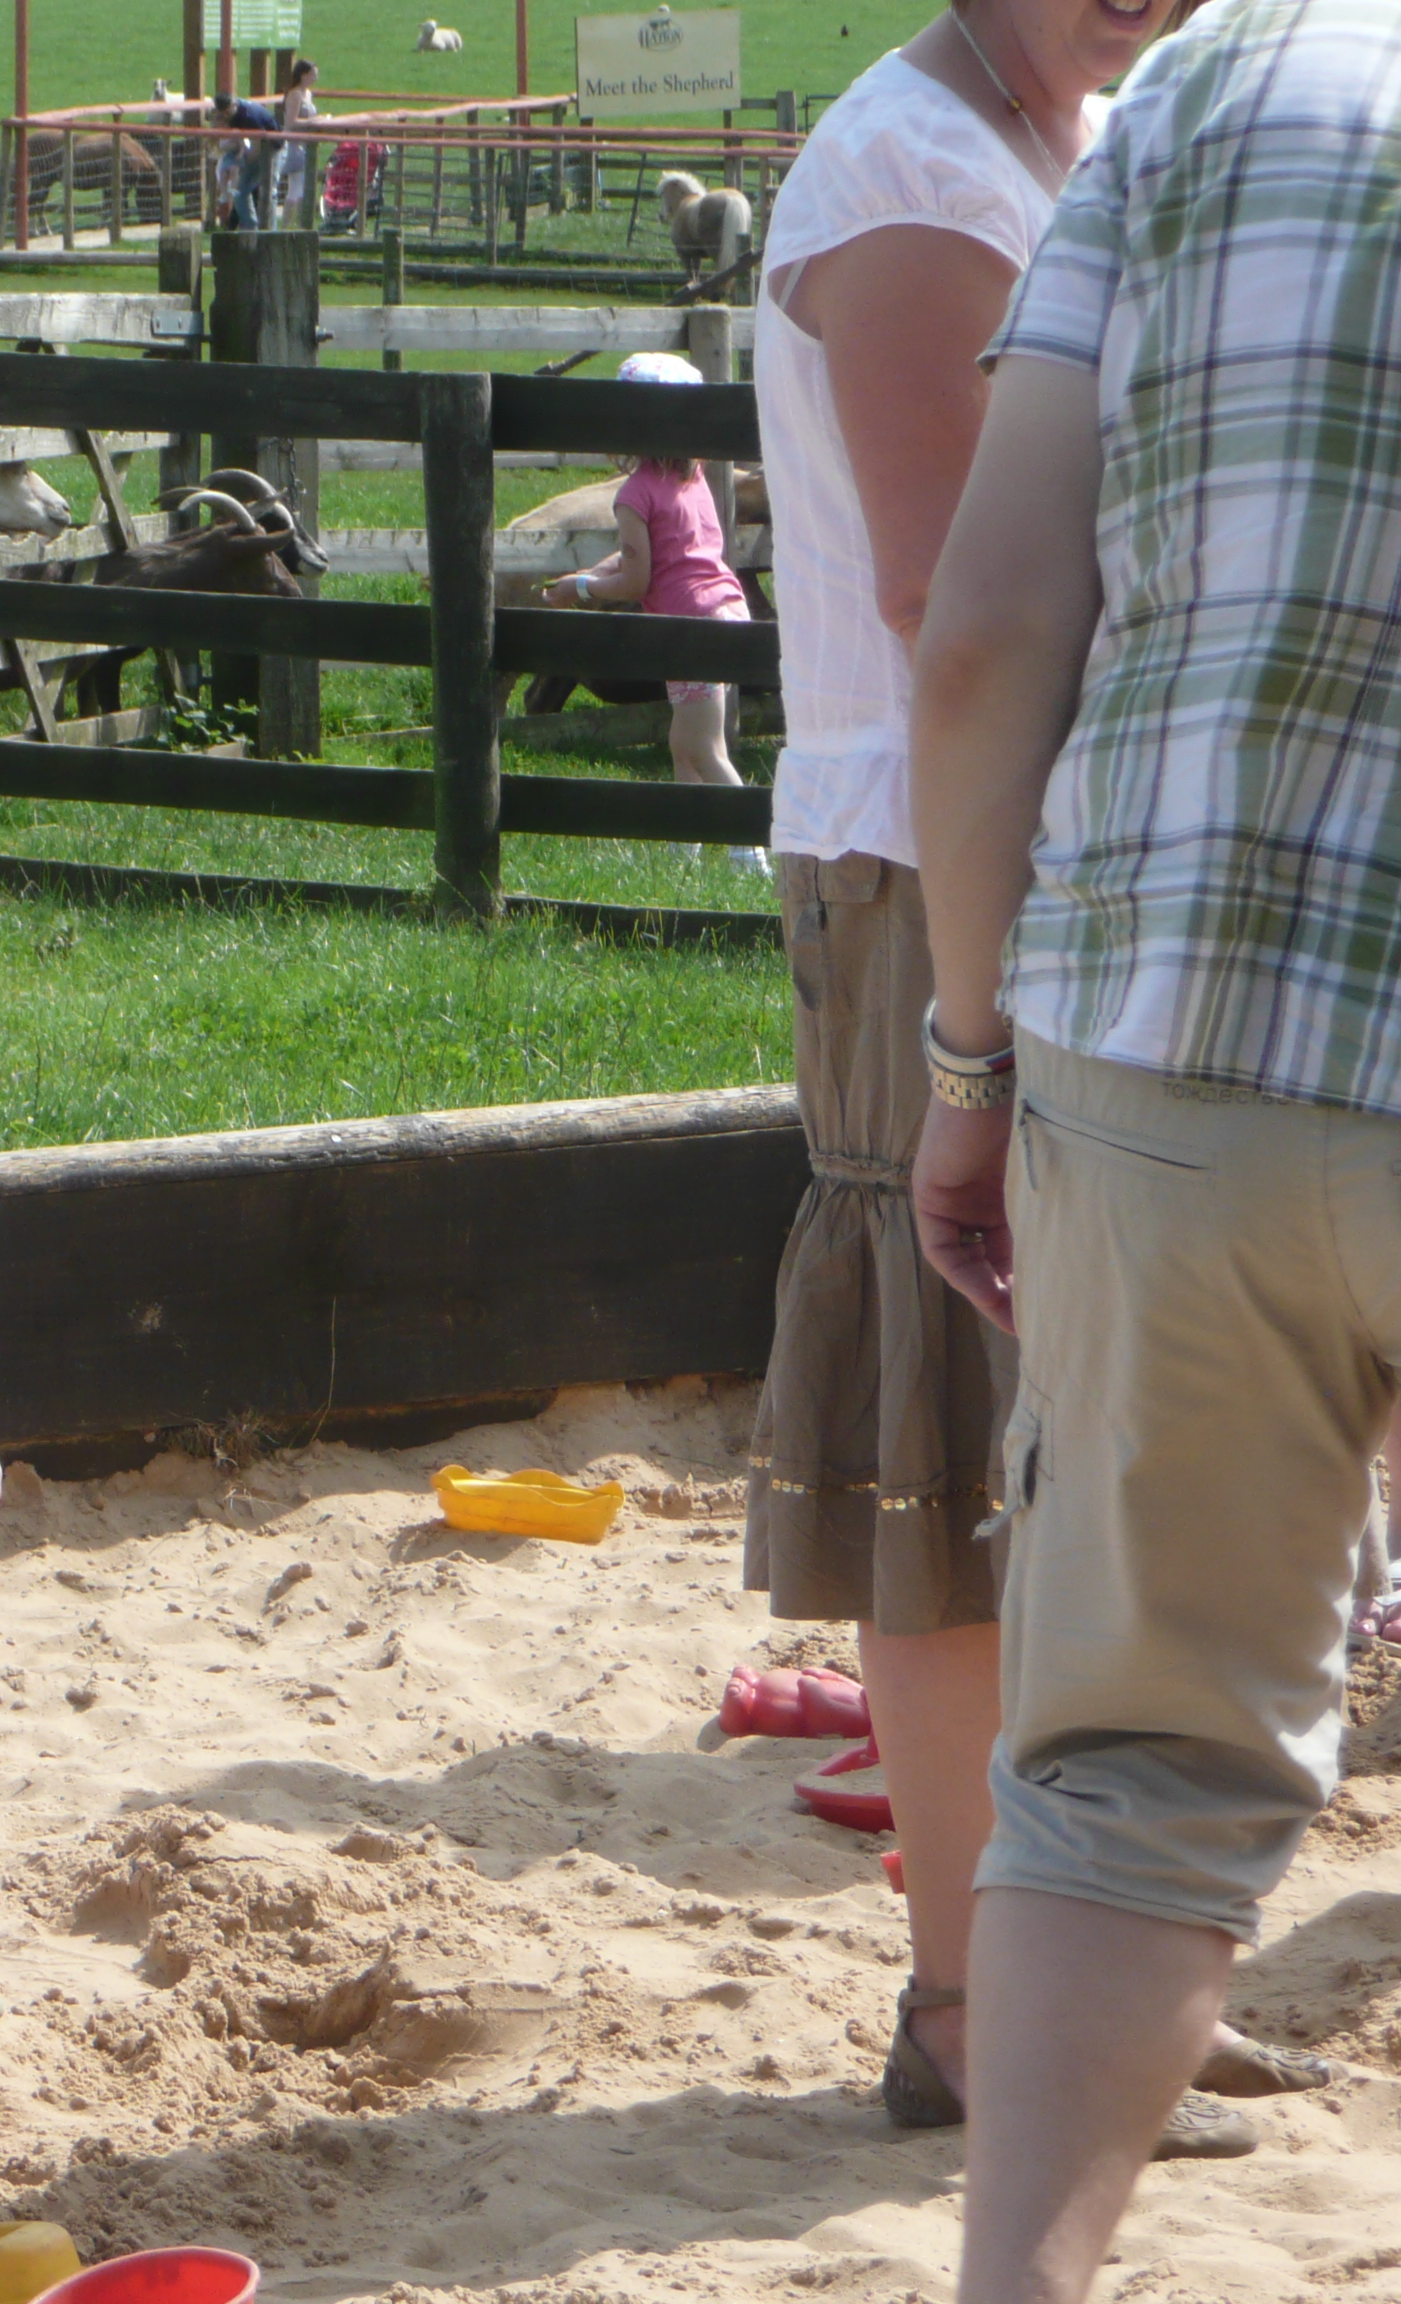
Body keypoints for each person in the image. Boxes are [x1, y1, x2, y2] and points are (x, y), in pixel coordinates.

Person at [739, 0, 1314, 2154]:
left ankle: (1098, 1976)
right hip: (941, 853)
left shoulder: (1074, 131)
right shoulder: (913, 173)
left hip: (1056, 836)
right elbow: (941, 588)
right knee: (962, 1441)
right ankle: (978, 2001)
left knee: (1098, 1440)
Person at [907, 4, 1401, 2289]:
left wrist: (965, 1063)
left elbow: (986, 631)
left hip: (1179, 1036)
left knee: (1125, 1775)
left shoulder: (1214, 84)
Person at [540, 350, 767, 874]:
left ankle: (750, 850)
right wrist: (595, 572)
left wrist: (580, 588)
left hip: (689, 629)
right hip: (723, 613)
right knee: (684, 744)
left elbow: (636, 581)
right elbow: (647, 556)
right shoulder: (693, 477)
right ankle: (683, 850)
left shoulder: (634, 494)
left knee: (703, 748)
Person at [208, 90, 278, 229]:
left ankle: (270, 231)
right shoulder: (230, 115)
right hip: (251, 149)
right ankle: (250, 229)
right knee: (240, 191)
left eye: (226, 113)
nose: (225, 116)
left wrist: (242, 164)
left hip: (272, 148)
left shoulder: (249, 116)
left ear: (234, 104)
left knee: (268, 189)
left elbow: (257, 147)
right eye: (222, 113)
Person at [269, 58, 322, 224]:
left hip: (304, 143)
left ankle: (290, 225)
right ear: (303, 75)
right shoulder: (295, 95)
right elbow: (291, 122)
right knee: (298, 188)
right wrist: (312, 122)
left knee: (296, 189)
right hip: (294, 144)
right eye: (313, 74)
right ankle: (299, 224)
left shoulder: (308, 94)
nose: (316, 78)